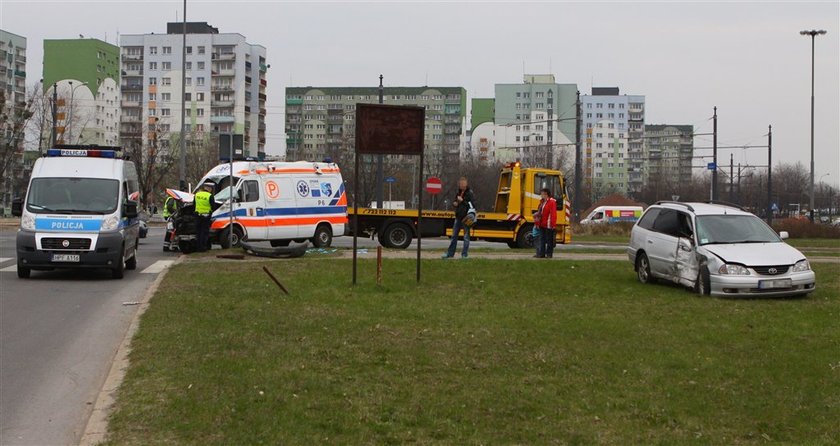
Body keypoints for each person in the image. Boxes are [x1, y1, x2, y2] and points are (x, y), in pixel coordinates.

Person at [442, 177, 474, 259]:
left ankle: (464, 254)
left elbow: (472, 204)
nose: (462, 185)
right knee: (454, 236)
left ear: (466, 184)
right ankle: (450, 253)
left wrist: (462, 200)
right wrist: (455, 203)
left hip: (466, 217)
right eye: (460, 184)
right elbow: (455, 201)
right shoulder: (458, 193)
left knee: (466, 237)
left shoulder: (470, 193)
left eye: (463, 184)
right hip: (458, 217)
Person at [194, 182, 218, 253]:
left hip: (198, 215)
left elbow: (194, 205)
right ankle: (203, 247)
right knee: (204, 232)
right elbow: (213, 206)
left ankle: (198, 247)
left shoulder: (197, 194)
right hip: (206, 216)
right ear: (209, 189)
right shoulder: (210, 196)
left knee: (198, 232)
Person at [536, 188, 557, 258]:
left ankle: (549, 254)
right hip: (542, 223)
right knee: (542, 239)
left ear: (546, 194)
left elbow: (553, 213)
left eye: (542, 194)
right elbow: (540, 213)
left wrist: (553, 224)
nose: (541, 195)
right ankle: (541, 254)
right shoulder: (542, 202)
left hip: (548, 224)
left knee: (549, 240)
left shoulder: (552, 202)